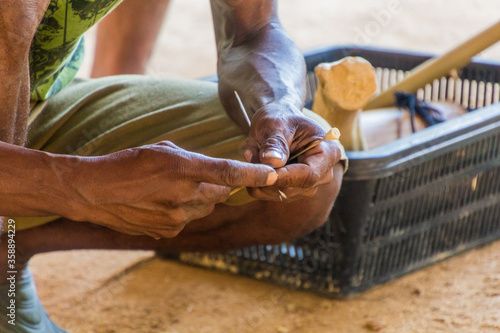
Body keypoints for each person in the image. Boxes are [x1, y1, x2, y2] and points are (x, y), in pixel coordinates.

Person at [0, 0, 345, 331]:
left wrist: (279, 103)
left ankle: (8, 255)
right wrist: (77, 185)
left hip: (35, 102)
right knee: (13, 18)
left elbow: (253, 29)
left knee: (302, 178)